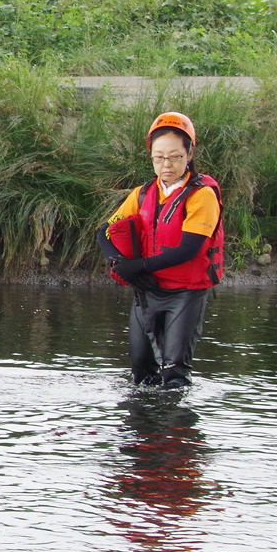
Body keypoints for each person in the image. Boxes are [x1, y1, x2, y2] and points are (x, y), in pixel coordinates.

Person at [99, 112, 225, 389]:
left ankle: (176, 427)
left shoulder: (202, 194)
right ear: (151, 156)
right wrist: (120, 265)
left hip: (185, 293)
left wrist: (139, 267)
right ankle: (144, 428)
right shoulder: (143, 193)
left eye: (175, 157)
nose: (166, 165)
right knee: (141, 367)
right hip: (147, 288)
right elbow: (105, 232)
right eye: (159, 157)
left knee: (174, 371)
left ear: (189, 153)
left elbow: (188, 250)